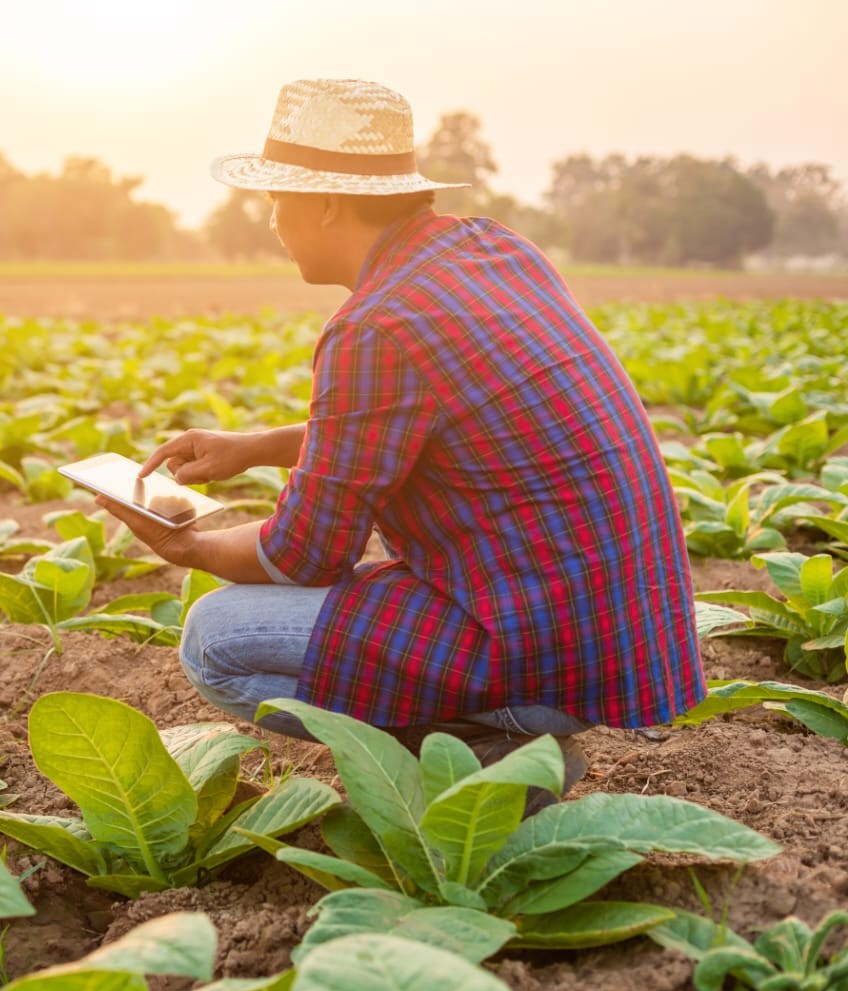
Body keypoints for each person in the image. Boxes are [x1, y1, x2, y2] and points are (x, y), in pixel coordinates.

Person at [94, 78, 706, 801]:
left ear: (323, 203)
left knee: (215, 639)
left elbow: (303, 554)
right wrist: (258, 446)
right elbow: (428, 425)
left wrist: (187, 547)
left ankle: (493, 765)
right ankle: (504, 751)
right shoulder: (490, 250)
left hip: (548, 649)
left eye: (275, 201)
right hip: (618, 633)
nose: (270, 223)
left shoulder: (377, 324)